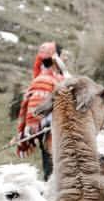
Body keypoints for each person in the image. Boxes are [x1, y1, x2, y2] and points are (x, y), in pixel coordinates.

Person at [16, 41, 67, 179]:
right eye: (62, 55)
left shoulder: (60, 79)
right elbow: (35, 117)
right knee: (54, 177)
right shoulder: (43, 81)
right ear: (56, 58)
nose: (65, 58)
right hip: (51, 140)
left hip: (64, 137)